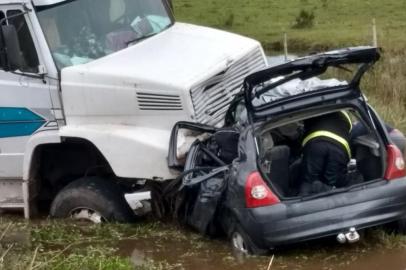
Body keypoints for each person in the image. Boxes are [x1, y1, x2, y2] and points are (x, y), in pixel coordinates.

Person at [299, 111, 352, 195]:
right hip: (339, 147)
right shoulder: (343, 114)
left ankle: (302, 202)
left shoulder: (313, 110)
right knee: (332, 182)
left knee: (309, 181)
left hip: (316, 144)